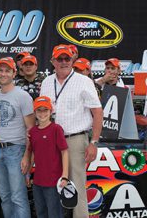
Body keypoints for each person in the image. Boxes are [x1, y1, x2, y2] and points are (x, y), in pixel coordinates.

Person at [40, 45, 103, 218]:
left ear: (73, 60)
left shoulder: (84, 81)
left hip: (74, 140)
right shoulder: (46, 82)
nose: (63, 62)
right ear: (52, 61)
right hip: (51, 141)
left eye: (67, 59)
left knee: (77, 187)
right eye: (59, 59)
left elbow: (97, 111)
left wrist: (94, 142)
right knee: (53, 185)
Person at [0, 57, 35, 218]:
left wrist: (27, 156)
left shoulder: (23, 96)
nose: (3, 74)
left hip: (15, 150)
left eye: (7, 70)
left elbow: (31, 129)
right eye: (0, 70)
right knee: (5, 198)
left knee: (18, 197)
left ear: (14, 73)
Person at [26, 96, 68, 218]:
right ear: (34, 112)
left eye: (45, 110)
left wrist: (65, 176)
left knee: (55, 213)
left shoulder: (56, 129)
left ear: (51, 111)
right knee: (41, 213)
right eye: (39, 110)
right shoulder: (33, 132)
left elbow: (65, 152)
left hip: (54, 182)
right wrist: (28, 173)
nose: (42, 113)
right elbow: (32, 153)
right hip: (38, 182)